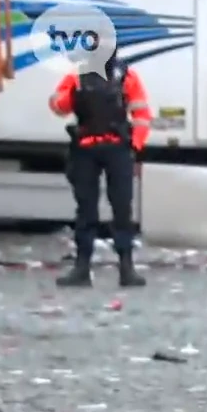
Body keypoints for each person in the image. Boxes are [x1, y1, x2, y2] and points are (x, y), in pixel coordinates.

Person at [48, 51, 152, 288]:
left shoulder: (126, 76)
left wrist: (134, 145)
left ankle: (126, 267)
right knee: (86, 210)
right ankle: (82, 268)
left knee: (122, 209)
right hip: (86, 149)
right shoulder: (77, 76)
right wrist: (70, 97)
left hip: (116, 150)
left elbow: (142, 114)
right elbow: (58, 105)